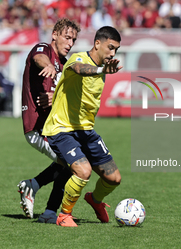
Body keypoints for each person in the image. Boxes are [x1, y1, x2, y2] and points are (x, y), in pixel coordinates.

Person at [42, 26, 123, 227]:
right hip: (62, 129)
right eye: (110, 47)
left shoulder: (103, 66)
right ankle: (64, 215)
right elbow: (79, 70)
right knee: (83, 171)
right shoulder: (78, 59)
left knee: (114, 178)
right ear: (97, 43)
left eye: (116, 50)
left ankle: (95, 200)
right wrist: (101, 70)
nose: (113, 54)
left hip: (85, 131)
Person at [17, 18, 81, 223]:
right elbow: (38, 59)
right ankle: (48, 208)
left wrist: (57, 97)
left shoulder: (65, 63)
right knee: (73, 165)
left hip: (55, 128)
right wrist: (50, 67)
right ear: (55, 35)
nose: (70, 43)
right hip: (37, 127)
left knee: (74, 163)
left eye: (74, 40)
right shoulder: (43, 49)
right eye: (67, 37)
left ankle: (41, 200)